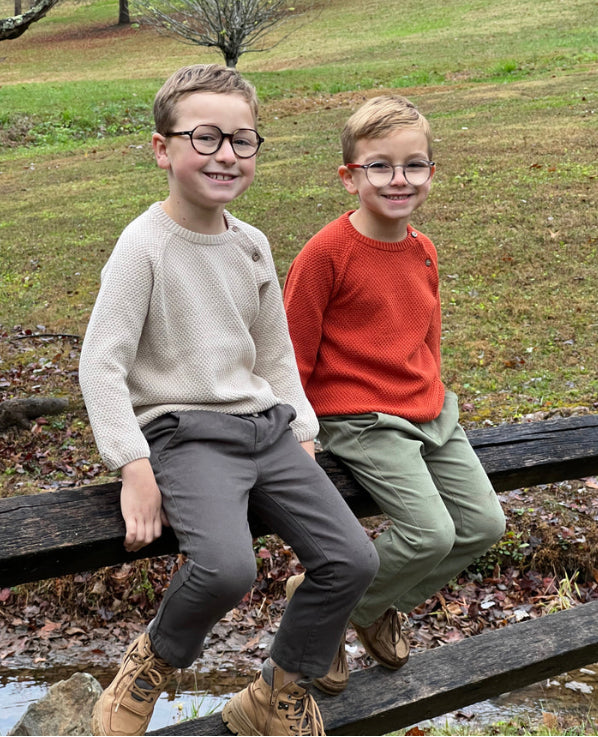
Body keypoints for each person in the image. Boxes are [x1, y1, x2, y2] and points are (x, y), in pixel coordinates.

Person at [79, 64, 379, 737]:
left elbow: (274, 351)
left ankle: (277, 690)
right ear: (163, 149)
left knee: (352, 560)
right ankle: (149, 663)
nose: (225, 155)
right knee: (225, 566)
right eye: (205, 137)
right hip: (185, 434)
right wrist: (132, 465)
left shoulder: (251, 244)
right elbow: (101, 363)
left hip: (266, 430)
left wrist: (302, 427)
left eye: (242, 140)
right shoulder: (144, 246)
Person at [283, 94, 506, 695]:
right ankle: (325, 614)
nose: (398, 179)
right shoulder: (326, 254)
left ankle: (356, 605)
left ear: (431, 171)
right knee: (430, 533)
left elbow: (427, 335)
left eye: (414, 165)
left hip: (428, 411)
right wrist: (298, 431)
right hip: (360, 416)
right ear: (349, 176)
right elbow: (291, 354)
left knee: (484, 524)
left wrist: (432, 392)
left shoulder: (422, 249)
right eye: (379, 166)